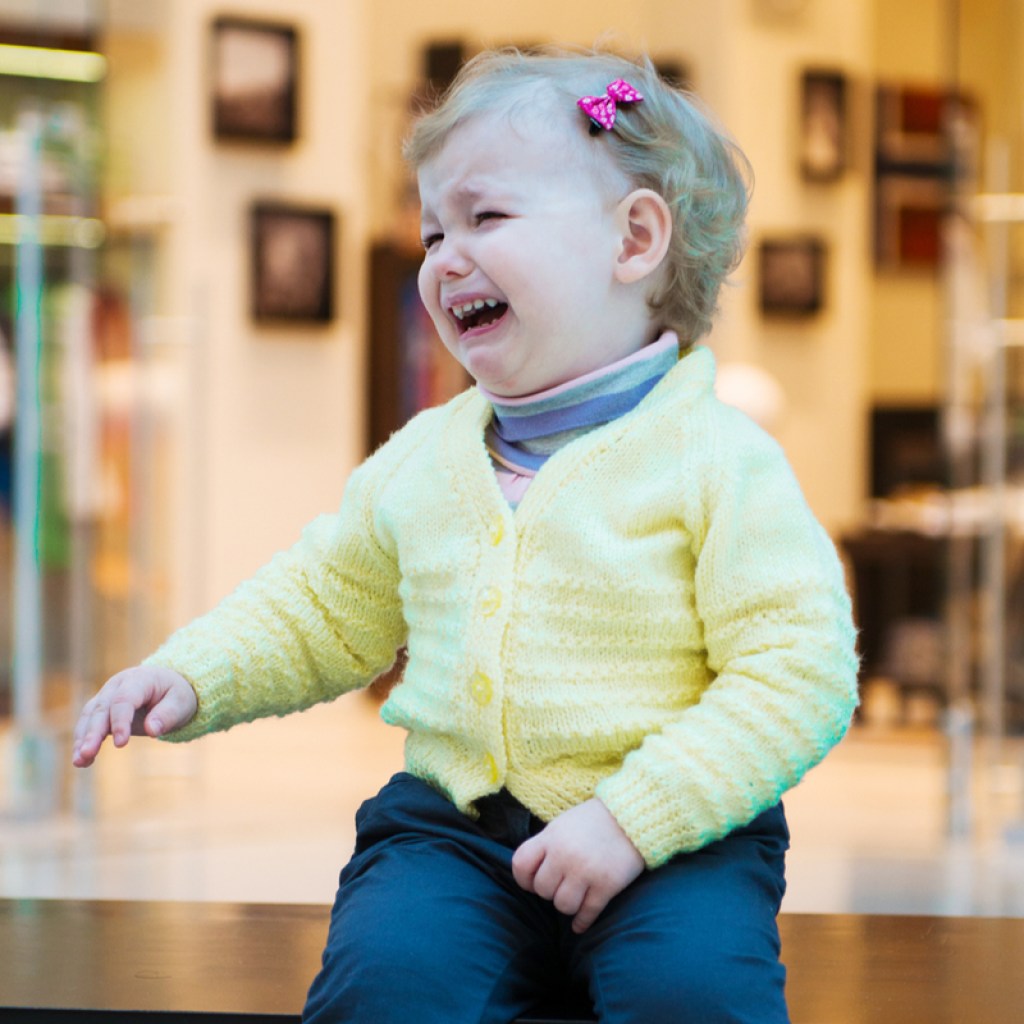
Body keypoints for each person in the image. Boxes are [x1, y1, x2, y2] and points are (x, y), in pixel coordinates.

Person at [73, 47, 859, 1024]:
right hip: (454, 833)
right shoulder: (423, 459)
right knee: (386, 985)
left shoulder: (718, 461)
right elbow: (323, 606)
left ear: (635, 239)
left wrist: (631, 818)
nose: (442, 257)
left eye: (484, 217)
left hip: (674, 836)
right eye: (432, 227)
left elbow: (800, 670)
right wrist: (192, 673)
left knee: (691, 995)